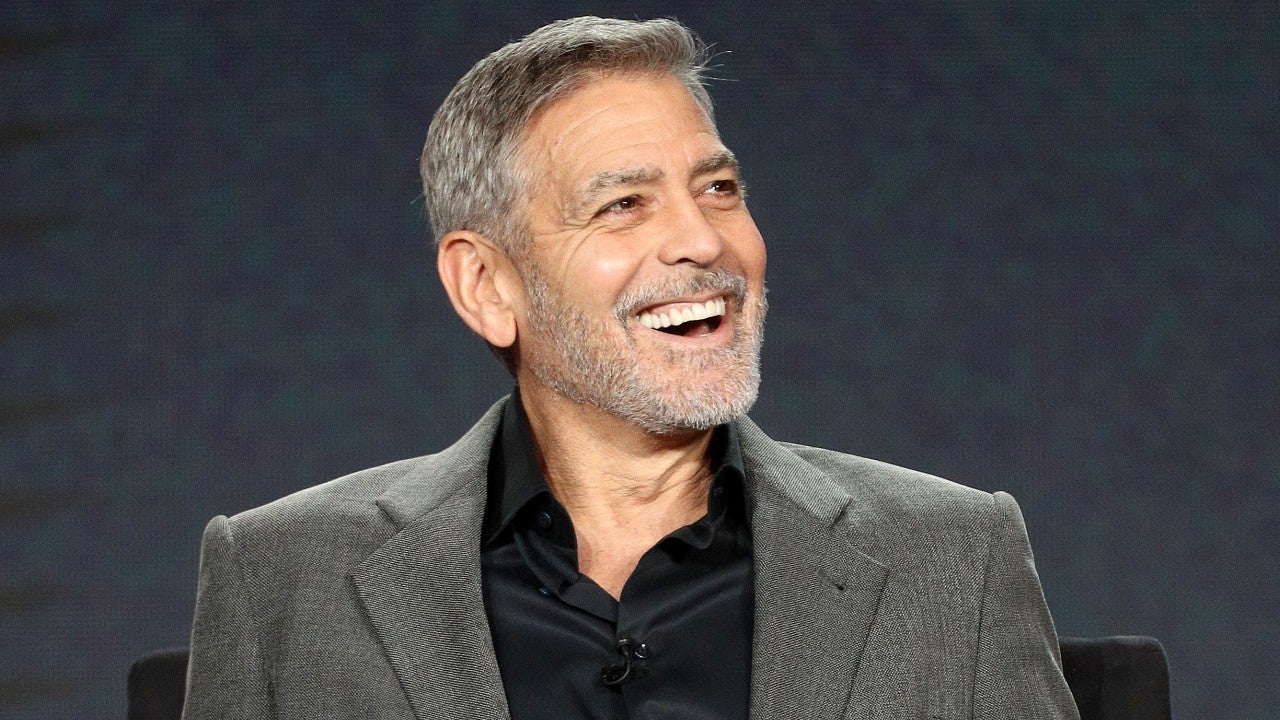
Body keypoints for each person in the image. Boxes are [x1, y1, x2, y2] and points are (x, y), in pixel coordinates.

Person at [182, 16, 1079, 720]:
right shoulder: (282, 583)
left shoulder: (952, 561)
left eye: (719, 189)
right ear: (487, 286)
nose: (702, 241)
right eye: (623, 204)